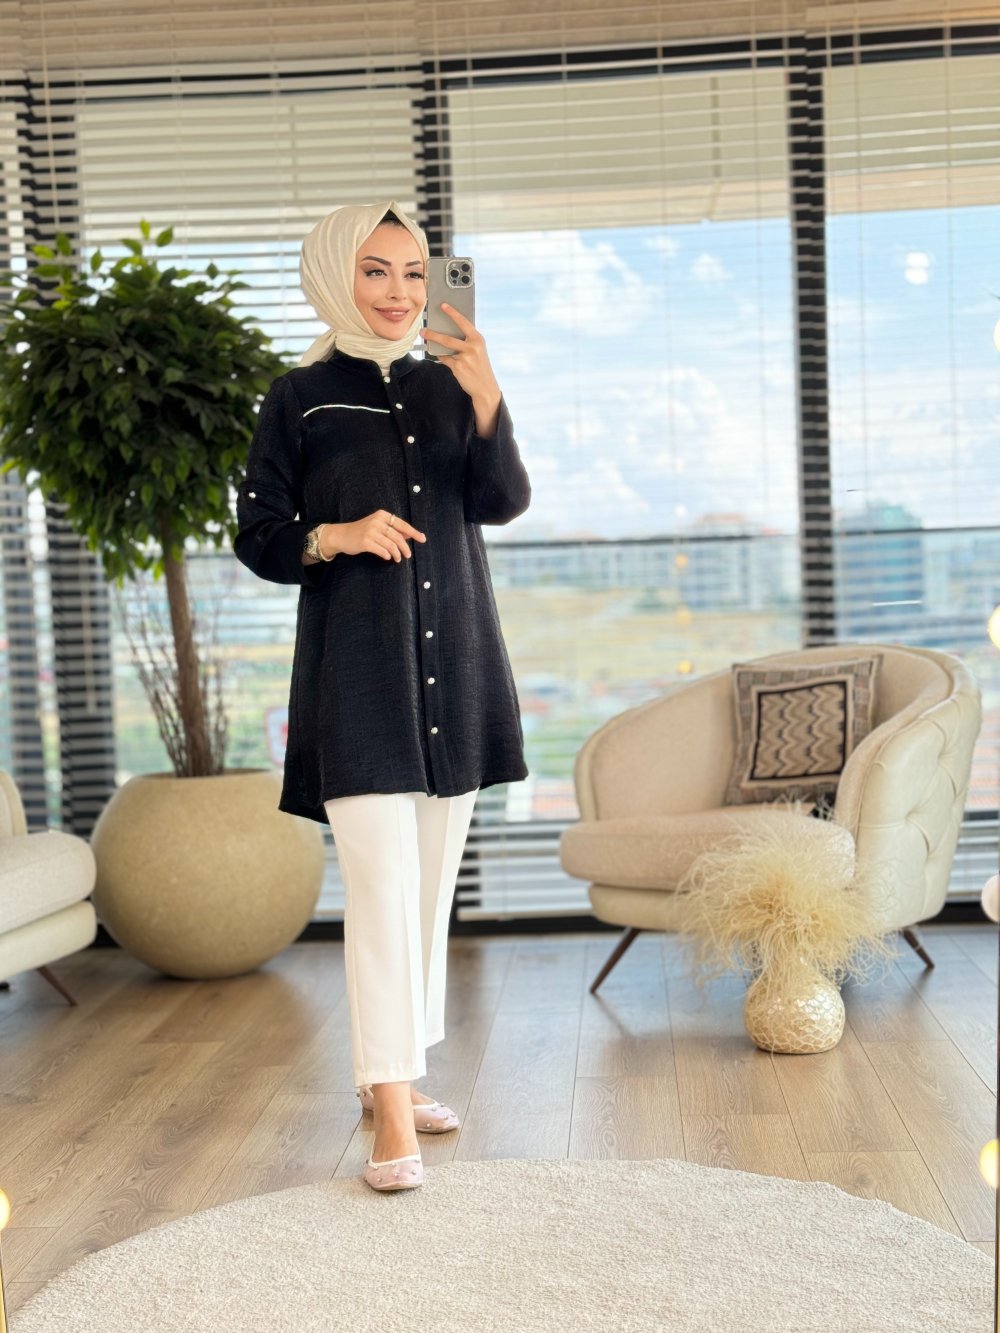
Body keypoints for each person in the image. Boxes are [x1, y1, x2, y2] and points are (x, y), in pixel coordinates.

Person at [232, 199, 531, 1191]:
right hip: (356, 681)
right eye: (375, 271)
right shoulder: (300, 397)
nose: (399, 293)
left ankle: (392, 1073)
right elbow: (259, 533)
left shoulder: (451, 384)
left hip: (459, 672)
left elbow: (500, 501)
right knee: (381, 889)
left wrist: (487, 398)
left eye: (413, 272)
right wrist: (336, 533)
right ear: (335, 276)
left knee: (429, 892)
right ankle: (391, 1109)